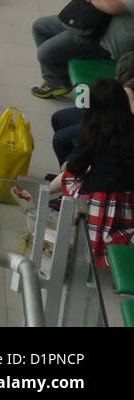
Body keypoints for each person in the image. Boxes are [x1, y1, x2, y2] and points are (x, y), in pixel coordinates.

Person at [49, 78, 134, 267]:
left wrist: (65, 169)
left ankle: (47, 194)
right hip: (128, 201)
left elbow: (74, 169)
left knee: (70, 175)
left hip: (101, 200)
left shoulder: (94, 133)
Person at [30, 0, 134, 99]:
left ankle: (58, 81)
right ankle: (57, 75)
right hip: (93, 23)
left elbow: (112, 6)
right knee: (40, 27)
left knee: (45, 53)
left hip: (105, 41)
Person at [52, 52, 134, 166]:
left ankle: (72, 173)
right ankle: (68, 172)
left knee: (60, 140)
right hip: (113, 110)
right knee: (58, 118)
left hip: (121, 126)